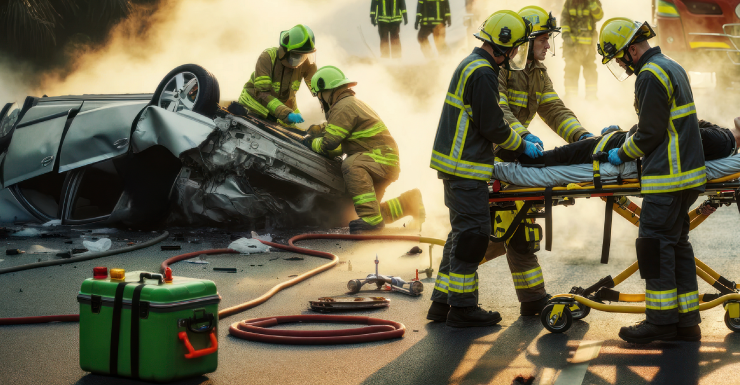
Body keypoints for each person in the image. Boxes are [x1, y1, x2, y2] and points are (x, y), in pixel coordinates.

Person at [427, 10, 543, 328]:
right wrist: (523, 145)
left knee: (459, 234)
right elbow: (492, 125)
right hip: (465, 167)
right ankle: (463, 309)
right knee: (473, 236)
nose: (517, 53)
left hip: (457, 165)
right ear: (503, 45)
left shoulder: (472, 64)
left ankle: (442, 303)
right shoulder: (483, 73)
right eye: (516, 46)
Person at [599, 17, 705, 343]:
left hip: (667, 178)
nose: (622, 64)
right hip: (687, 177)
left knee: (654, 246)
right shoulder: (670, 65)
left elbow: (650, 133)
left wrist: (622, 152)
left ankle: (660, 322)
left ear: (632, 49)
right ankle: (687, 321)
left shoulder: (649, 75)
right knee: (677, 245)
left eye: (620, 57)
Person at [494, 5, 593, 316]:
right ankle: (450, 303)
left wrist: (584, 139)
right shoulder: (498, 69)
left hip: (515, 158)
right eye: (543, 40)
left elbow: (555, 110)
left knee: (517, 234)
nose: (549, 46)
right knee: (475, 237)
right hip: (489, 160)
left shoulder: (537, 73)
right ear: (525, 42)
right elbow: (499, 113)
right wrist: (523, 138)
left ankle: (533, 300)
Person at [304, 66, 425, 234]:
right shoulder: (349, 104)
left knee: (351, 164)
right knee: (372, 210)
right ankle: (409, 202)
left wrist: (311, 143)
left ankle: (371, 220)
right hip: (382, 159)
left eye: (319, 95)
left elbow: (329, 144)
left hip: (379, 159)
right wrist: (322, 129)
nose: (321, 100)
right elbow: (339, 142)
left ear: (328, 91)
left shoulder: (343, 106)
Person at [503, 120, 737, 166]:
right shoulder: (721, 134)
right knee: (561, 155)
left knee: (556, 157)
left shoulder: (721, 141)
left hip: (613, 148)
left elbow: (667, 133)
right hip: (617, 140)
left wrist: (623, 153)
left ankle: (512, 161)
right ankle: (513, 156)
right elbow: (677, 124)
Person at [238, 24, 317, 128]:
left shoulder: (306, 64)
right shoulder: (268, 58)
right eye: (297, 55)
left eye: (304, 55)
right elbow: (262, 93)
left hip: (279, 112)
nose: (301, 59)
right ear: (285, 51)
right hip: (254, 107)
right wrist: (286, 113)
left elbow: (319, 89)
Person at [561, 0, 603, 100]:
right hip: (571, 46)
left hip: (589, 46)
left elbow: (599, 16)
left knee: (590, 71)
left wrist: (592, 3)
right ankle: (571, 98)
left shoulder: (594, 2)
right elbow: (564, 19)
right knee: (571, 70)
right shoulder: (569, 3)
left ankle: (591, 97)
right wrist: (566, 34)